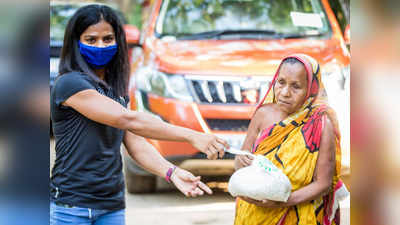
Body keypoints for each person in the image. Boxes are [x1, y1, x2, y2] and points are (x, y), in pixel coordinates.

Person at [50, 5, 229, 225]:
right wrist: (192, 136)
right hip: (72, 208)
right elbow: (129, 119)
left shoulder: (113, 89)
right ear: (76, 43)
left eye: (108, 39)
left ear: (118, 42)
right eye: (91, 39)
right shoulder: (70, 84)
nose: (101, 45)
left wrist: (171, 172)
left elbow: (135, 142)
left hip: (111, 206)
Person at [234, 54, 348, 225]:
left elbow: (323, 183)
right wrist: (241, 161)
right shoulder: (262, 115)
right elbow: (240, 162)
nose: (285, 92)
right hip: (256, 210)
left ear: (311, 89)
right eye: (281, 82)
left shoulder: (321, 123)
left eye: (296, 86)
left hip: (300, 211)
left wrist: (281, 201)